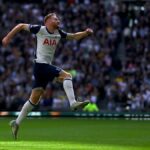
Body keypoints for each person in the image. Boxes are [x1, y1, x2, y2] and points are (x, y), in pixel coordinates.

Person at [2, 12, 93, 139]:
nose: (58, 21)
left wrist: (85, 33)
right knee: (67, 76)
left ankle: (16, 123)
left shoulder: (59, 33)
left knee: (35, 98)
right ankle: (72, 102)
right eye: (56, 19)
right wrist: (7, 37)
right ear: (48, 21)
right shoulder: (40, 29)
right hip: (41, 65)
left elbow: (73, 37)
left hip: (40, 68)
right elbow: (21, 25)